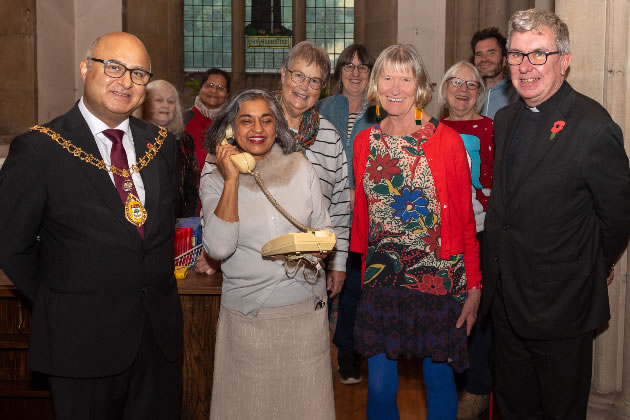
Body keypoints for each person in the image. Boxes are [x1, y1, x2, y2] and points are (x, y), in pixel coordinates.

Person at [0, 32, 183, 419]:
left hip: (157, 341)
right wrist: (64, 299)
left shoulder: (162, 145)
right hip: (80, 341)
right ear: (86, 68)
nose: (125, 81)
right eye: (113, 66)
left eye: (138, 73)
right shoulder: (39, 148)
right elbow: (11, 245)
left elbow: (160, 234)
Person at [482, 9, 630, 420]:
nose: (525, 67)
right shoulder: (506, 118)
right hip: (507, 299)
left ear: (564, 60)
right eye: (516, 55)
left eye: (538, 55)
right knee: (513, 408)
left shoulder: (593, 127)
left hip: (561, 307)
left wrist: (592, 262)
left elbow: (617, 217)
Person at [351, 44, 482, 420]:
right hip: (381, 276)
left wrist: (473, 286)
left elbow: (465, 219)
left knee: (439, 380)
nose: (396, 87)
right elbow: (363, 215)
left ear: (420, 86)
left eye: (405, 78)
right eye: (387, 77)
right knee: (377, 384)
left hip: (438, 279)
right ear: (376, 84)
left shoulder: (447, 141)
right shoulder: (364, 142)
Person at [201, 89, 335, 419]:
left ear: (277, 127)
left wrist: (314, 250)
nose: (257, 129)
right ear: (230, 128)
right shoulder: (214, 177)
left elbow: (324, 229)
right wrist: (231, 179)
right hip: (250, 319)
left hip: (305, 314)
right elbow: (218, 248)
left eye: (266, 120)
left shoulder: (300, 166)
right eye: (246, 121)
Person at [438, 61, 494, 419]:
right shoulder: (430, 130)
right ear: (444, 89)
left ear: (481, 92)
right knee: (448, 313)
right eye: (455, 82)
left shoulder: (494, 128)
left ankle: (478, 388)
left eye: (471, 85)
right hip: (442, 235)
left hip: (484, 231)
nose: (463, 90)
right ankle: (453, 385)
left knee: (481, 312)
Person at [316, 43, 375, 385]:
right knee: (329, 287)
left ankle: (353, 352)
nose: (355, 73)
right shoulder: (324, 107)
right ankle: (336, 353)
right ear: (340, 72)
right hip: (328, 211)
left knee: (358, 286)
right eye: (349, 66)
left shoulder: (381, 110)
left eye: (363, 67)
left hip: (368, 213)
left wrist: (361, 192)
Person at [276, 40, 351, 301]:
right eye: (298, 75)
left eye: (314, 81)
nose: (304, 87)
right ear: (283, 74)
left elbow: (340, 203)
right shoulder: (255, 125)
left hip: (313, 267)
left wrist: (338, 263)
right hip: (260, 263)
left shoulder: (330, 136)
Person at [135, 79, 200, 217]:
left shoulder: (184, 139)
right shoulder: (131, 137)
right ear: (145, 103)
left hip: (177, 219)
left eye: (171, 102)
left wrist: (186, 218)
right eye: (158, 100)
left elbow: (192, 185)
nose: (166, 105)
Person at [185, 67, 230, 172]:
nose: (214, 91)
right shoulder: (182, 120)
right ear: (201, 89)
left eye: (220, 88)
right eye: (209, 85)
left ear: (227, 94)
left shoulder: (232, 122)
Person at [471, 27, 519, 119]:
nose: (484, 59)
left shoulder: (518, 93)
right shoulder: (467, 92)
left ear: (505, 60)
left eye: (491, 53)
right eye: (479, 54)